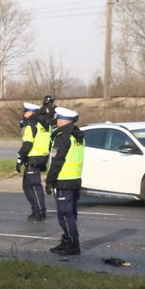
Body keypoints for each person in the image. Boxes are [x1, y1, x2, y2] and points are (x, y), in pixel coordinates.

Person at [45, 107, 85, 256]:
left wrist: (49, 181)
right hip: (75, 180)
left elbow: (57, 161)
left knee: (65, 215)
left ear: (61, 121)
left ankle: (73, 244)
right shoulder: (78, 135)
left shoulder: (62, 137)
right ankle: (67, 240)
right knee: (71, 214)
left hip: (63, 181)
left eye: (57, 120)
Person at [16, 101, 52, 222]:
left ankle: (39, 212)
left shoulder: (31, 124)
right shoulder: (45, 124)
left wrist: (20, 158)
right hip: (42, 157)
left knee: (33, 186)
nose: (24, 114)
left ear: (31, 112)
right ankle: (36, 209)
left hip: (33, 158)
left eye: (25, 112)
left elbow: (27, 144)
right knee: (27, 185)